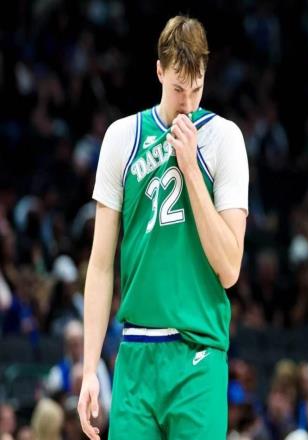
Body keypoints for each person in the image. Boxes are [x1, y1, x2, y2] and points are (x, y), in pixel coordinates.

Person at [77, 15, 249, 440]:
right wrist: (89, 368)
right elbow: (100, 265)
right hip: (136, 353)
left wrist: (190, 168)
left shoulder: (224, 139)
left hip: (198, 355)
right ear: (159, 71)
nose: (187, 103)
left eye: (196, 88)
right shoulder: (122, 138)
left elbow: (229, 268)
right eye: (177, 88)